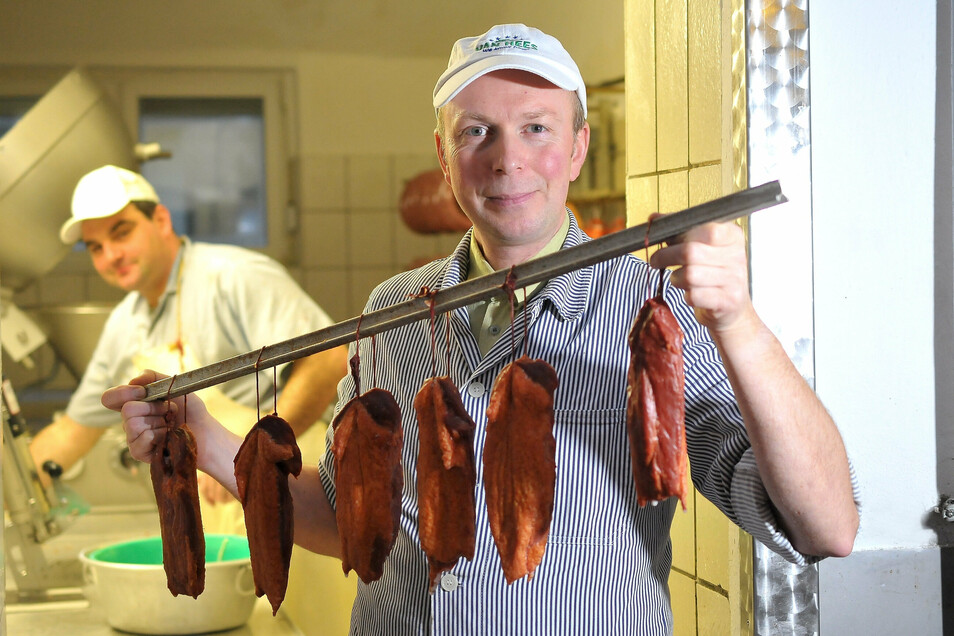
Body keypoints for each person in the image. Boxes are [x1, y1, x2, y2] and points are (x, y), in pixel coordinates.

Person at [104, 24, 859, 634]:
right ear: (444, 156)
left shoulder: (656, 312)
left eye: (536, 127)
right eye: (476, 132)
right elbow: (347, 522)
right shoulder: (395, 310)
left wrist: (739, 320)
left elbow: (825, 526)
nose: (507, 161)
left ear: (578, 147)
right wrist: (203, 440)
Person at [32, 164, 348, 535]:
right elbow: (73, 430)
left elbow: (329, 361)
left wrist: (249, 452)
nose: (111, 255)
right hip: (219, 514)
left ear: (162, 220)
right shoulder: (123, 323)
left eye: (122, 233)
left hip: (291, 485)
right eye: (96, 247)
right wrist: (19, 481)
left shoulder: (233, 276)